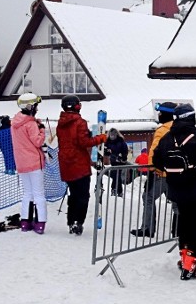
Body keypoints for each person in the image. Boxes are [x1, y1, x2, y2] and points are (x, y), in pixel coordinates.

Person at [153, 103, 196, 280]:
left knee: (183, 223)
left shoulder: (167, 137)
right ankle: (190, 263)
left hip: (177, 189)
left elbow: (157, 160)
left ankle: (184, 257)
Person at [57, 94, 107, 236]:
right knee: (83, 196)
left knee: (73, 194)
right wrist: (101, 138)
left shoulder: (61, 124)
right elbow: (84, 142)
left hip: (66, 164)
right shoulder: (80, 122)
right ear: (77, 106)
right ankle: (79, 222)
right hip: (79, 164)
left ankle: (71, 221)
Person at [131, 102, 176, 238]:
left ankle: (147, 228)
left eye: (160, 113)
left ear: (165, 114)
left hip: (160, 172)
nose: (159, 115)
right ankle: (178, 230)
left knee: (148, 197)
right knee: (176, 201)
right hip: (174, 172)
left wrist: (151, 168)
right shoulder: (177, 128)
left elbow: (154, 151)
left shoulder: (162, 130)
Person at [11, 93, 48, 234]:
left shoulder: (14, 123)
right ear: (30, 106)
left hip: (21, 163)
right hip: (33, 162)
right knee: (39, 194)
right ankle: (40, 223)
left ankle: (25, 222)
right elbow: (38, 141)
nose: (37, 109)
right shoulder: (31, 124)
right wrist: (42, 130)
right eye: (35, 106)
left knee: (27, 193)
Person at [104, 128, 129, 197]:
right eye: (111, 135)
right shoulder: (108, 142)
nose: (112, 136)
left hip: (120, 161)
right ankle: (119, 191)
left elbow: (125, 151)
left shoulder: (120, 141)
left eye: (114, 135)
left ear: (116, 134)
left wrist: (122, 157)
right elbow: (105, 151)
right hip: (113, 161)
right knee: (116, 175)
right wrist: (106, 151)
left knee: (116, 174)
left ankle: (114, 189)